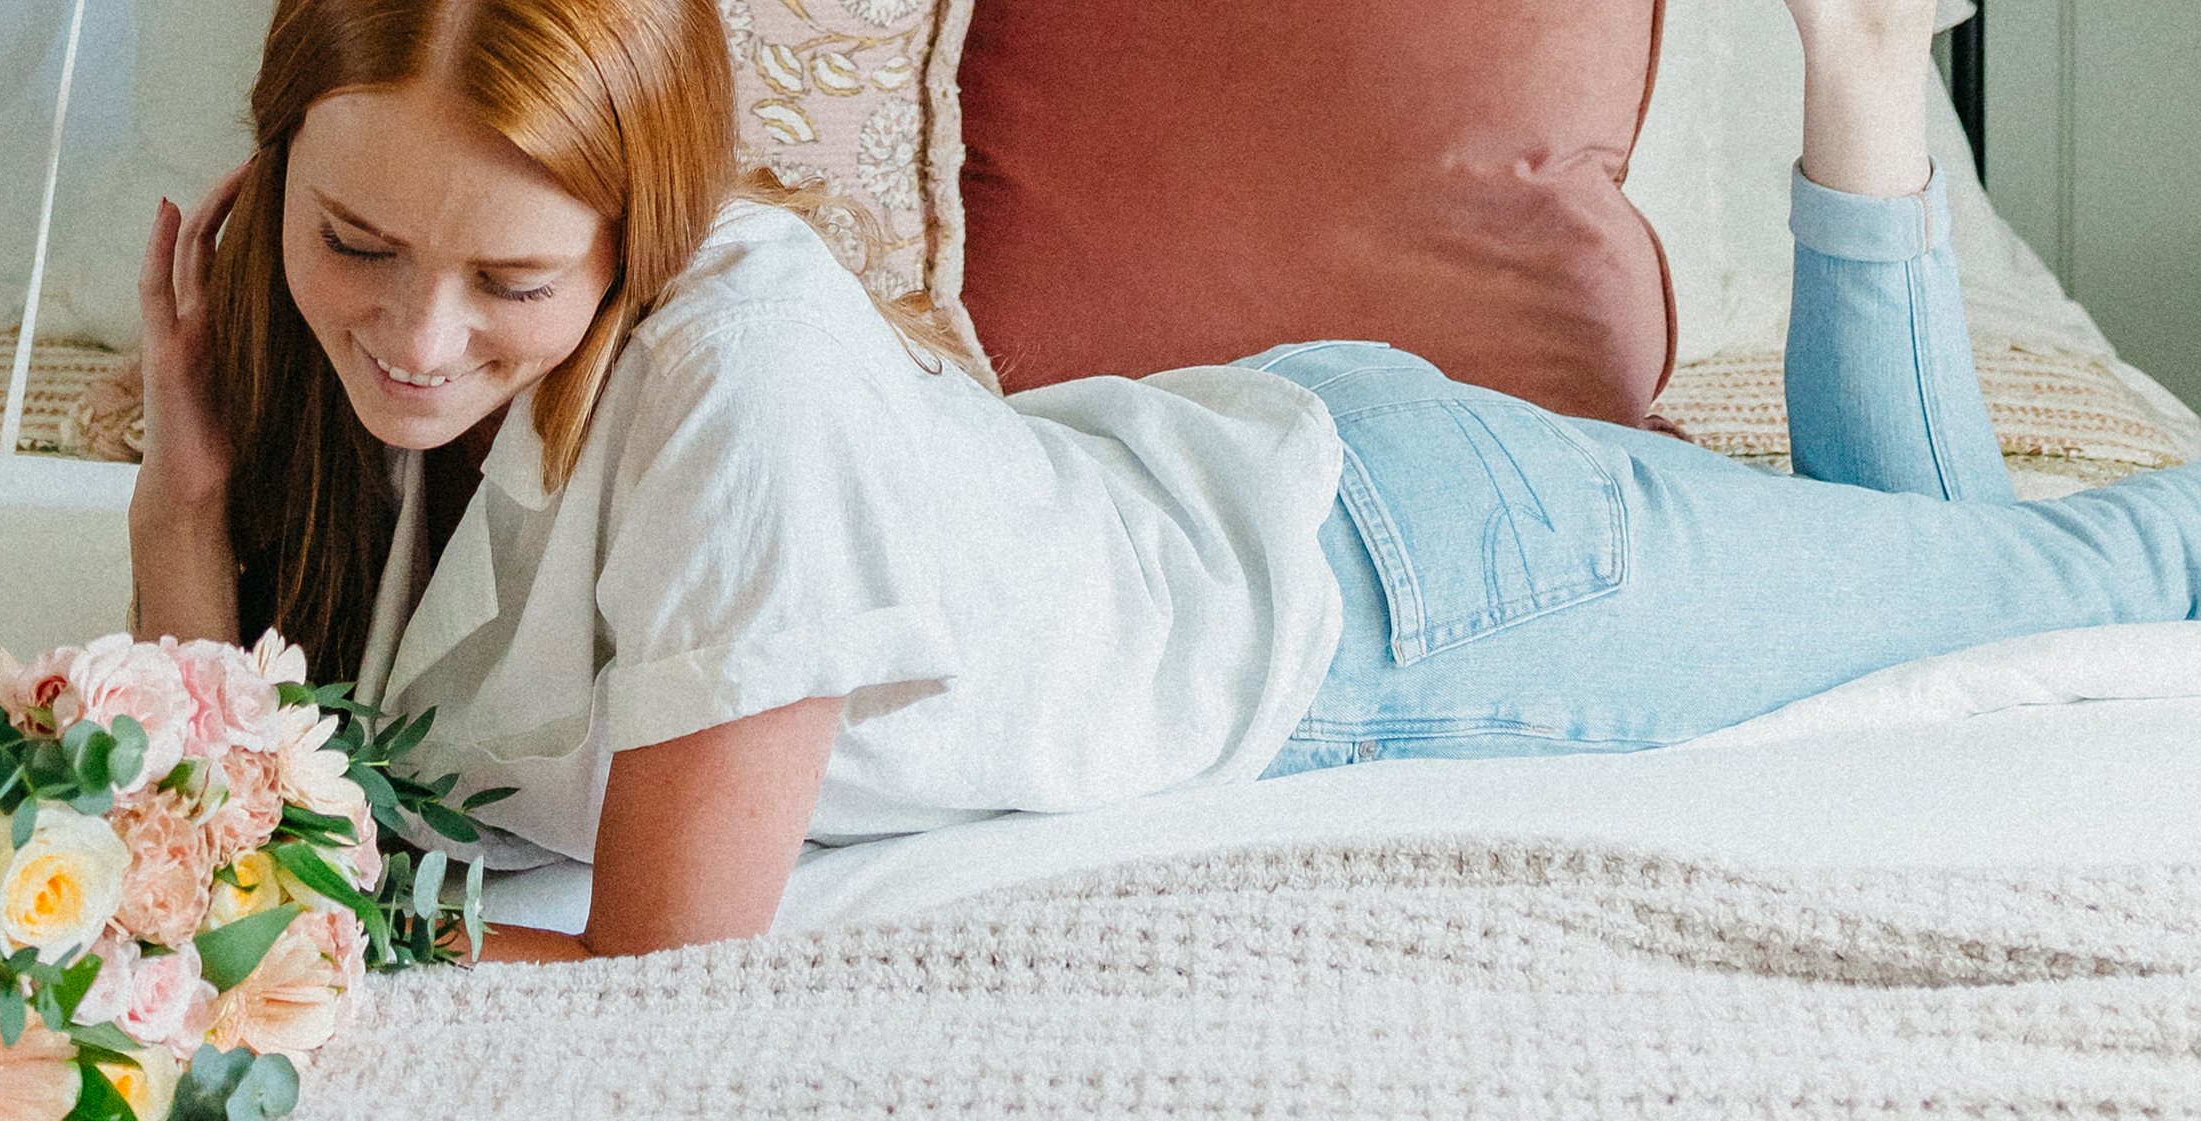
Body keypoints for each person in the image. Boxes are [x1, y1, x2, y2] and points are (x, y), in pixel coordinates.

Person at [126, 0, 2201, 963]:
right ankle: (1865, 63)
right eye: (356, 245)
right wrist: (182, 508)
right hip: (1245, 463)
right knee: (1959, 557)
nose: (411, 335)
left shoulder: (732, 378)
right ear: (276, 167)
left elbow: (665, 973)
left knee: (2089, 571)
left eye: (509, 279)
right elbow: (238, 786)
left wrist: (208, 927)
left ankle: (1855, 64)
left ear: (637, 229)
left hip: (1423, 592)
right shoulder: (331, 360)